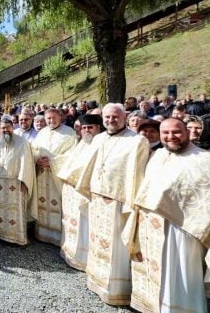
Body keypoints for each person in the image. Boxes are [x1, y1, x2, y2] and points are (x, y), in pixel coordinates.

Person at [122, 118, 210, 313]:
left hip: (184, 232)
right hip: (151, 227)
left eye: (176, 132)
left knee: (181, 276)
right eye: (165, 133)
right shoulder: (158, 155)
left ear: (187, 132)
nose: (170, 137)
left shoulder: (208, 160)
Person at [75, 103, 150, 306]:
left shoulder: (137, 141)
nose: (110, 120)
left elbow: (137, 175)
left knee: (116, 246)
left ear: (124, 116)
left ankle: (116, 290)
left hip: (119, 202)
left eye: (115, 117)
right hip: (98, 199)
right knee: (97, 240)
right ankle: (95, 281)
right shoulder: (98, 139)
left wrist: (130, 203)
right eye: (107, 117)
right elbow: (91, 166)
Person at [57, 114, 102, 271]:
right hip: (72, 191)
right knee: (71, 222)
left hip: (84, 192)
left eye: (90, 127)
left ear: (98, 128)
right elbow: (70, 162)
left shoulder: (99, 144)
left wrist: (68, 175)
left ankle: (82, 258)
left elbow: (88, 168)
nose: (87, 131)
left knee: (83, 224)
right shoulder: (82, 143)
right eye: (84, 128)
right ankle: (69, 252)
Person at [30, 108, 77, 245]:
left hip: (58, 176)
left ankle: (59, 236)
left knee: (58, 204)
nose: (51, 121)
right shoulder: (42, 132)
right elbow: (33, 149)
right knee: (42, 201)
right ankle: (42, 234)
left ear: (60, 117)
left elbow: (72, 155)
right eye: (48, 118)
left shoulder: (69, 133)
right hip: (42, 175)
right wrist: (37, 159)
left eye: (54, 118)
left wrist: (53, 162)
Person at [0, 116, 35, 245]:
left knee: (15, 211)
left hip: (15, 183)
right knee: (0, 209)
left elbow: (26, 163)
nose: (5, 130)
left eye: (8, 127)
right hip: (0, 183)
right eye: (3, 128)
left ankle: (17, 238)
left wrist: (23, 181)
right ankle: (0, 234)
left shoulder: (22, 142)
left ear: (12, 127)